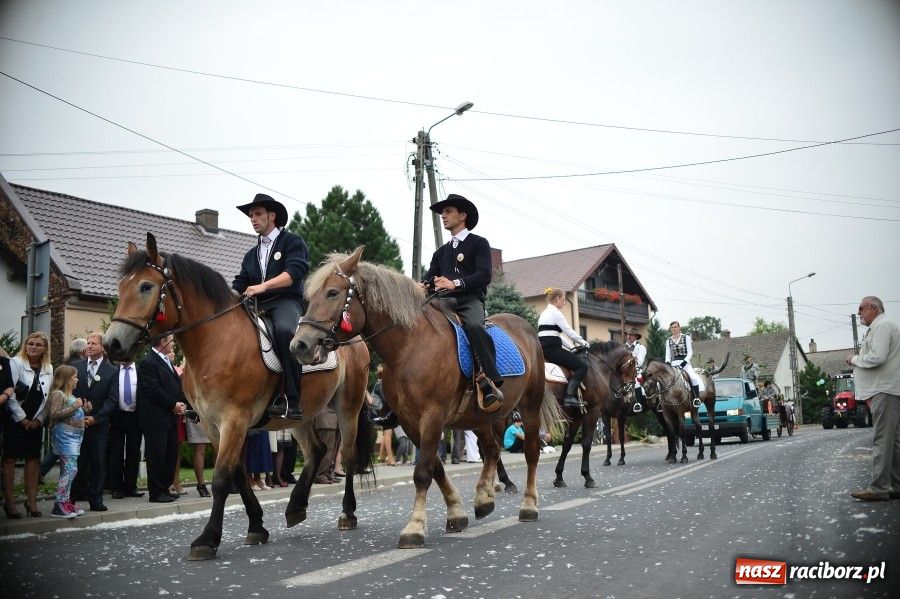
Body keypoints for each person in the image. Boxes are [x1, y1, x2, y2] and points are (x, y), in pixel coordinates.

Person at [419, 194, 503, 410]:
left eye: (448, 212)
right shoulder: (441, 253)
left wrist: (454, 283)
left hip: (470, 300)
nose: (443, 216)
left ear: (462, 215)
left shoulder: (479, 243)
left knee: (474, 325)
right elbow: (429, 278)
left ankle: (488, 380)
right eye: (442, 213)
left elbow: (485, 275)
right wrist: (422, 285)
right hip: (442, 301)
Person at [232, 193, 310, 420]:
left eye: (258, 214)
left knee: (286, 332)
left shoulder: (293, 242)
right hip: (256, 304)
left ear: (272, 215)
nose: (253, 219)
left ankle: (293, 401)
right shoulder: (250, 255)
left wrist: (262, 287)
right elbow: (239, 283)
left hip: (285, 302)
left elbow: (294, 274)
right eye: (251, 216)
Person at [846, 296, 900, 502]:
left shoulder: (881, 327)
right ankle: (896, 485)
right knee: (895, 441)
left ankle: (879, 487)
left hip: (885, 391)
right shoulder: (889, 325)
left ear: (873, 308)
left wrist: (854, 359)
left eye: (861, 309)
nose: (859, 313)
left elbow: (877, 357)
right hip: (892, 389)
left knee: (882, 439)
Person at [3, 332, 52, 518]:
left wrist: (39, 419)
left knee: (33, 459)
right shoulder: (15, 362)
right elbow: (11, 392)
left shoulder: (48, 367)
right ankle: (10, 502)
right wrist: (21, 418)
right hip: (15, 418)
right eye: (30, 343)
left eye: (38, 345)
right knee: (10, 459)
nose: (33, 347)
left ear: (44, 348)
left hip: (35, 419)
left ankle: (31, 501)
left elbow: (48, 396)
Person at [70, 331, 118, 512]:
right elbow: (68, 394)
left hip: (99, 426)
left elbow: (113, 399)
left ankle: (96, 499)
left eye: (93, 343)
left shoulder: (112, 371)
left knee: (98, 463)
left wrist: (96, 418)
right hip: (75, 424)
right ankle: (71, 498)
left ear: (103, 348)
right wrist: (78, 414)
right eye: (88, 343)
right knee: (77, 463)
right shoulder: (76, 367)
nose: (89, 346)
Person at [138, 335, 186, 503]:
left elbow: (174, 384)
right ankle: (156, 492)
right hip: (155, 418)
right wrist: (173, 404)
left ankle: (164, 487)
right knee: (157, 456)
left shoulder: (165, 360)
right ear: (163, 342)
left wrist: (181, 402)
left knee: (170, 455)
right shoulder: (148, 362)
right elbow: (152, 390)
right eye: (171, 340)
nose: (174, 343)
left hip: (170, 417)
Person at [538, 287, 589, 408]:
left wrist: (572, 347)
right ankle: (569, 397)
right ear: (557, 299)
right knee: (582, 366)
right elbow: (569, 332)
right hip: (553, 349)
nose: (564, 302)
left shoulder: (544, 313)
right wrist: (584, 343)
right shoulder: (556, 313)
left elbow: (557, 336)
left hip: (544, 348)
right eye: (563, 299)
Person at [47, 365, 85, 518]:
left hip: (74, 436)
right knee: (70, 469)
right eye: (75, 376)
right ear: (67, 379)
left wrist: (85, 409)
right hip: (64, 436)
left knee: (70, 469)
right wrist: (75, 407)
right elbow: (54, 414)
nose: (77, 379)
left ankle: (65, 501)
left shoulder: (71, 396)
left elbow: (73, 414)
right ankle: (59, 504)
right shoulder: (58, 394)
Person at [109, 360, 144, 499]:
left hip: (136, 416)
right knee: (116, 453)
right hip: (117, 416)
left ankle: (130, 487)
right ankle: (116, 487)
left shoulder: (140, 370)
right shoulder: (114, 371)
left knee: (133, 452)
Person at [665, 321, 703, 403]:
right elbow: (668, 355)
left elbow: (690, 352)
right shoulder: (668, 341)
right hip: (674, 363)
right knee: (666, 380)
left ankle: (696, 398)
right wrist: (667, 363)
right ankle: (663, 401)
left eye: (675, 327)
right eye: (672, 327)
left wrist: (684, 363)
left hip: (685, 362)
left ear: (679, 328)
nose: (674, 329)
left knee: (693, 377)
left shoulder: (686, 337)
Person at [313, 400, 339, 483]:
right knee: (328, 450)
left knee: (333, 450)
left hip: (333, 419)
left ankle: (328, 472)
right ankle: (320, 475)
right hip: (326, 419)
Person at [624, 327, 647, 412]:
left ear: (636, 337)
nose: (629, 336)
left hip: (638, 370)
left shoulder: (641, 347)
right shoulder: (623, 347)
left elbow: (639, 362)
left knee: (637, 382)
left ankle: (638, 403)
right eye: (628, 334)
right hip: (625, 372)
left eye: (631, 335)